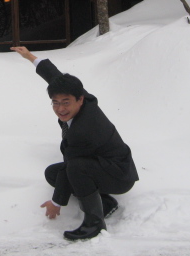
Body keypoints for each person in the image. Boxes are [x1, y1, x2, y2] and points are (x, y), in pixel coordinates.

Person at [11, 46, 138, 241]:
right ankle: (105, 203)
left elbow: (73, 165)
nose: (60, 109)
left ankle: (94, 222)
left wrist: (56, 201)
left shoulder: (83, 130)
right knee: (53, 173)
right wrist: (30, 57)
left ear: (79, 100)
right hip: (102, 164)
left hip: (119, 175)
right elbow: (55, 77)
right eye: (55, 102)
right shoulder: (85, 100)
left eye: (65, 102)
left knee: (76, 168)